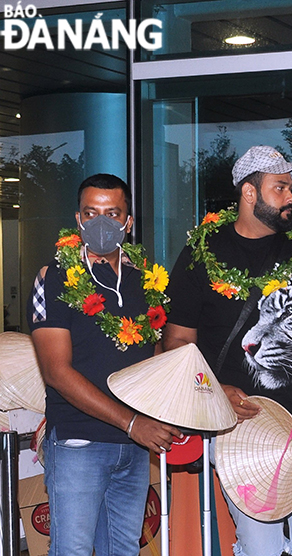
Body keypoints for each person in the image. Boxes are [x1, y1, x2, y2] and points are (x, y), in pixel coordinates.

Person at [163, 145, 292, 556]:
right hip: (242, 431)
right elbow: (178, 342)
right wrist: (214, 392)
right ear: (249, 193)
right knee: (258, 548)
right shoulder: (201, 255)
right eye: (281, 187)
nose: (291, 197)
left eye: (291, 188)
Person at [28, 173, 181, 556]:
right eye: (91, 212)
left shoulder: (145, 281)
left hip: (133, 446)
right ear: (78, 219)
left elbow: (156, 358)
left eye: (112, 213)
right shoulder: (53, 278)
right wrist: (133, 423)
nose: (101, 222)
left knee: (123, 549)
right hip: (81, 442)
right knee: (72, 551)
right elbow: (56, 372)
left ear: (128, 222)